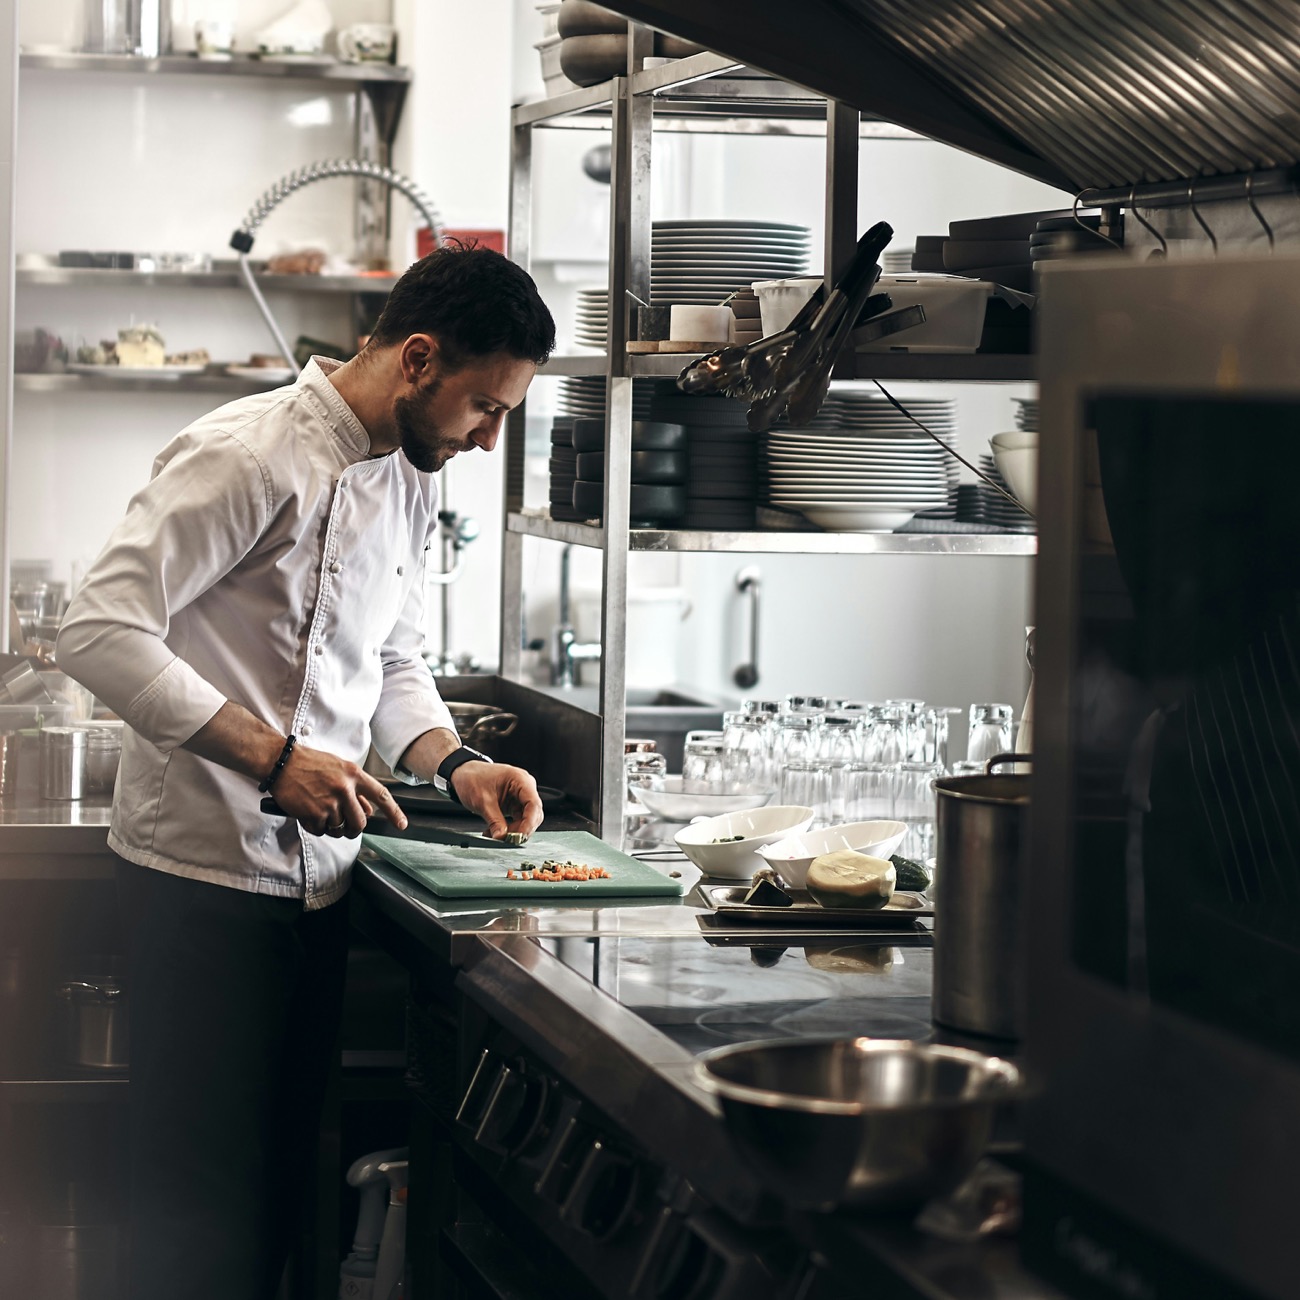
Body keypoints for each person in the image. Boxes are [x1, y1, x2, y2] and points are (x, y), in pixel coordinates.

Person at [55, 246, 556, 1299]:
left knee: (281, 1204)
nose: (489, 436)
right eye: (484, 405)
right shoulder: (246, 453)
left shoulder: (411, 477)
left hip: (320, 886)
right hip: (198, 879)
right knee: (196, 1218)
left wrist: (453, 760)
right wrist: (271, 758)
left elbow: (390, 658)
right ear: (418, 358)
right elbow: (97, 628)